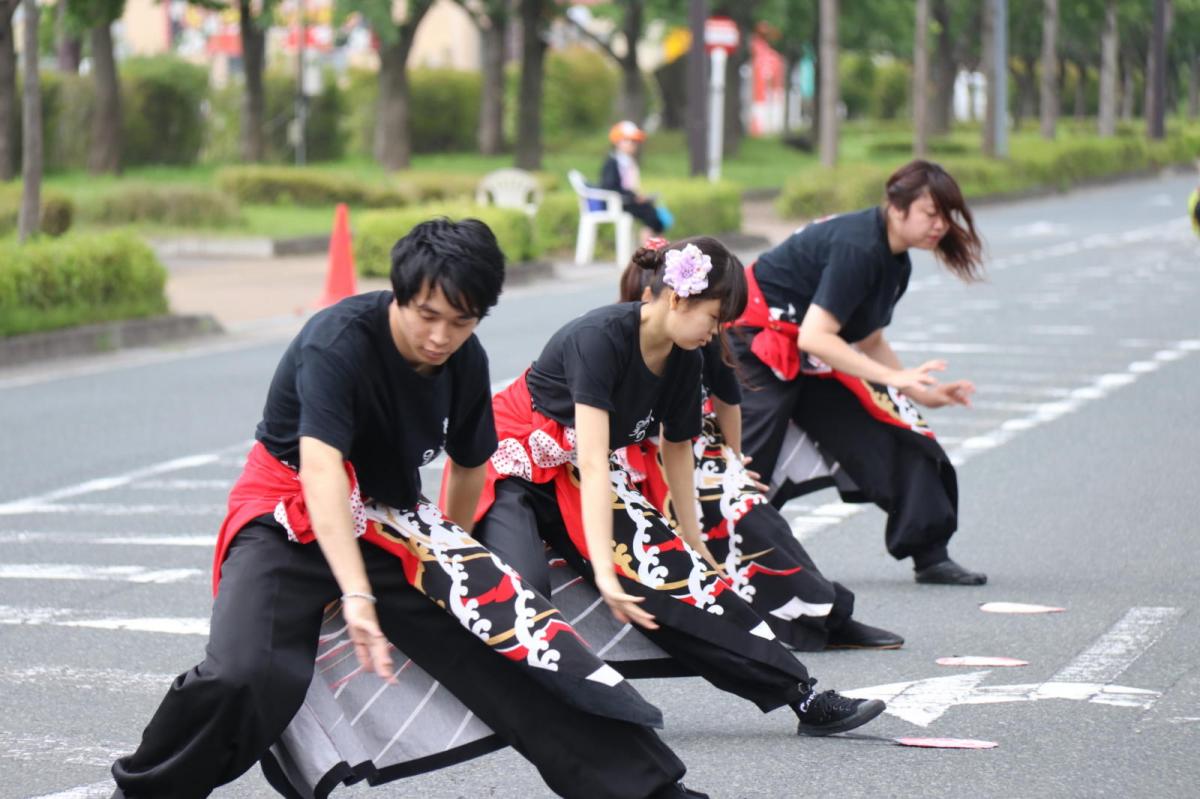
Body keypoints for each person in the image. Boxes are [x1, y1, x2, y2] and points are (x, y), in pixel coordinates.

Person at [109, 219, 707, 799]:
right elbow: (321, 472)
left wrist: (461, 561)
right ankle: (145, 792)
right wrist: (356, 594)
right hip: (285, 514)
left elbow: (471, 465)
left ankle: (649, 789)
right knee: (244, 674)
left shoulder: (465, 361)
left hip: (391, 517)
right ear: (398, 295)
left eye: (461, 321)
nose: (441, 337)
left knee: (512, 636)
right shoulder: (338, 342)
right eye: (427, 316)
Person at [460, 235, 887, 739]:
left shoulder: (687, 355)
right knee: (522, 585)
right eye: (713, 318)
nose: (715, 333)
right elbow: (596, 463)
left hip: (580, 472)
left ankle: (804, 696)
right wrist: (605, 571)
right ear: (678, 298)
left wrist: (694, 539)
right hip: (514, 464)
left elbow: (678, 448)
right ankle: (527, 704)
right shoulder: (599, 338)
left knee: (683, 578)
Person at [616, 250, 904, 651]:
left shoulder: (701, 341)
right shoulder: (621, 341)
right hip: (634, 463)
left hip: (695, 453)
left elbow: (726, 403)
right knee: (727, 519)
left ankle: (821, 610)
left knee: (751, 514)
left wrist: (733, 461)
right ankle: (794, 614)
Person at [729, 160, 989, 586]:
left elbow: (868, 342)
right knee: (746, 457)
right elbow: (817, 337)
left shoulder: (895, 260)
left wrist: (920, 392)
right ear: (896, 206)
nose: (940, 225)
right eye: (931, 213)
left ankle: (930, 552)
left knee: (897, 428)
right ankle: (716, 550)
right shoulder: (858, 247)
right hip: (753, 345)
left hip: (804, 349)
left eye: (947, 215)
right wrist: (894, 380)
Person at [600, 120, 668, 235]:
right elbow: (609, 186)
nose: (632, 144)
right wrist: (633, 196)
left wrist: (638, 196)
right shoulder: (613, 162)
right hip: (617, 202)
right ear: (617, 142)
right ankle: (648, 243)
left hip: (626, 200)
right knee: (649, 212)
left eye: (634, 141)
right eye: (628, 141)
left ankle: (651, 240)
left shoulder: (628, 162)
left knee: (651, 211)